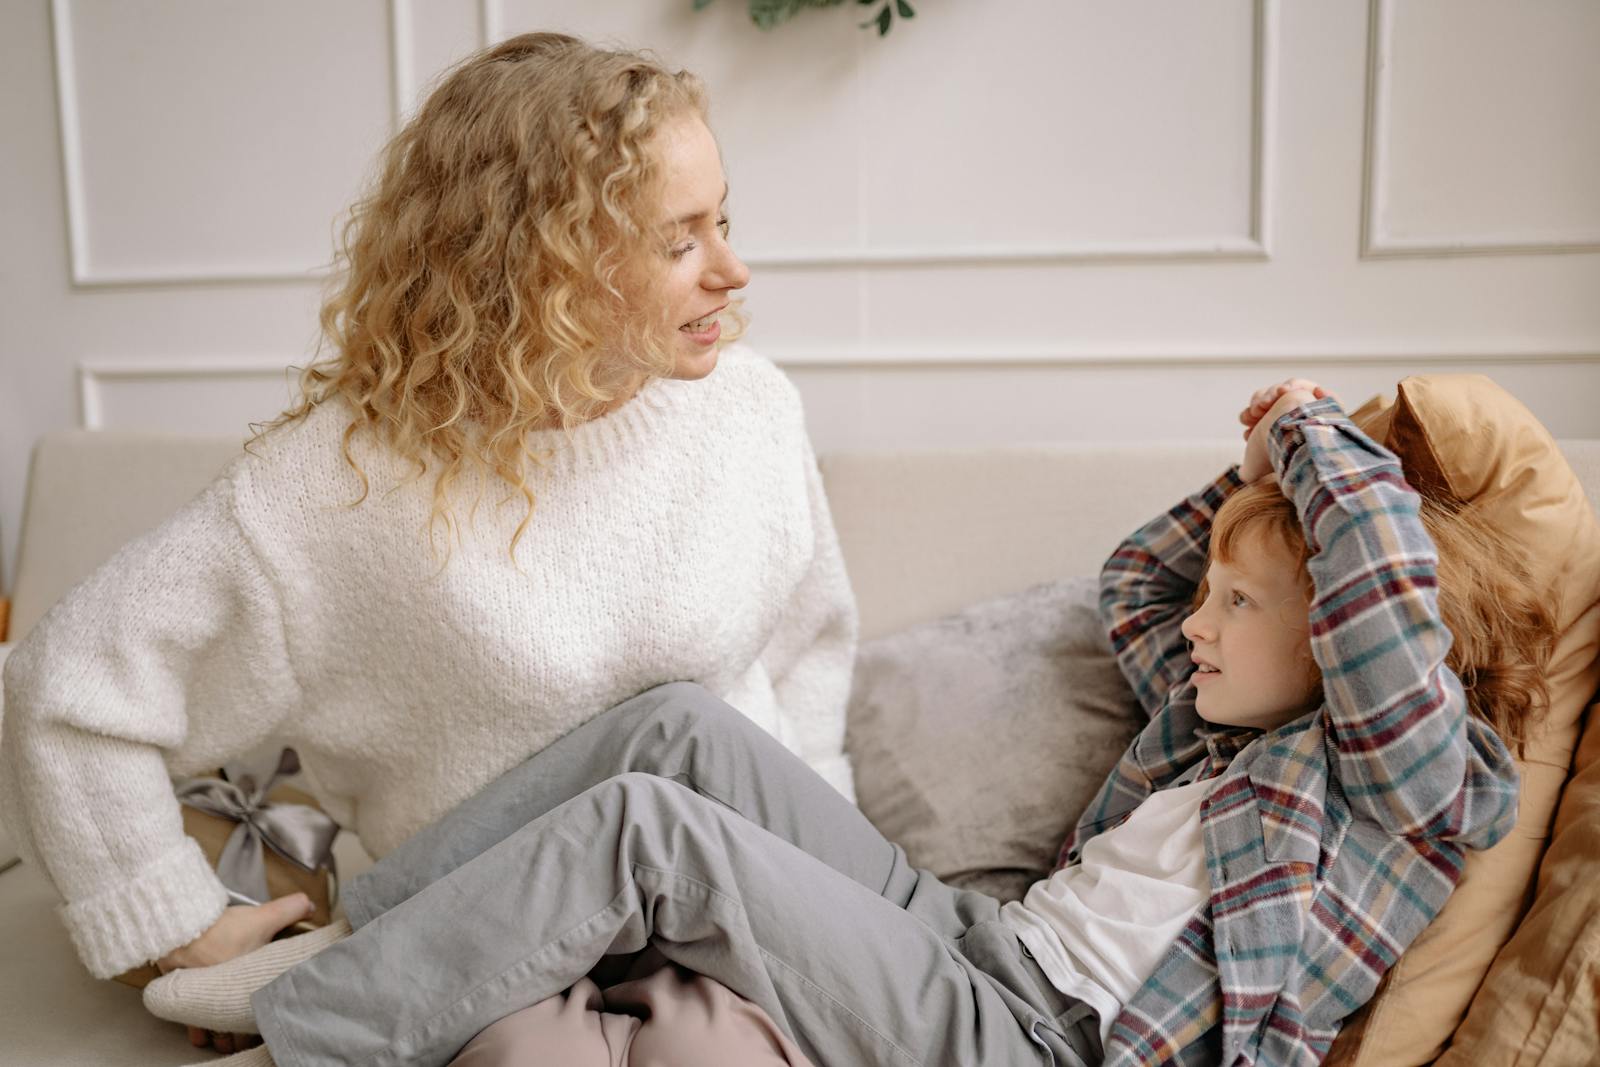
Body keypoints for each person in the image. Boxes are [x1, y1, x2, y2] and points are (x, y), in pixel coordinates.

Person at [146, 378, 1555, 1067]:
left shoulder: (1416, 789)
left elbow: (1374, 586)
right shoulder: (1219, 734)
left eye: (1241, 601)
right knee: (679, 727)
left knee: (654, 833)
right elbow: (1139, 580)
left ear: (1351, 645)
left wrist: (1312, 431)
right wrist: (1247, 475)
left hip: (1043, 1044)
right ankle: (347, 924)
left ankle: (299, 1035)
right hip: (977, 942)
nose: (1201, 619)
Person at [0, 30, 858, 1053]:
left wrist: (822, 880)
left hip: (723, 910)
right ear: (541, 262)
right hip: (470, 950)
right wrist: (174, 924)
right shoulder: (337, 485)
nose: (732, 269)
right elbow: (70, 684)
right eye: (679, 242)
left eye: (723, 221)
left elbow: (809, 648)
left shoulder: (751, 412)